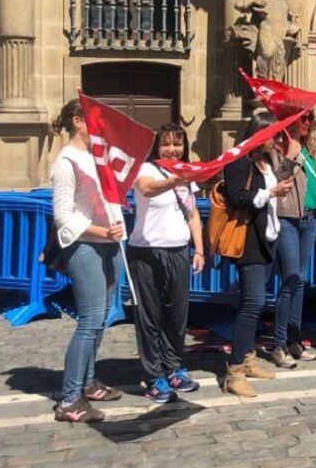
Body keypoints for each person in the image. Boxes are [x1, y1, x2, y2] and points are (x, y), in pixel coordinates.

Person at [50, 99, 125, 423]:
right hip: (85, 246)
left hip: (110, 244)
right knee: (90, 318)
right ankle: (69, 400)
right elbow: (62, 217)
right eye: (94, 119)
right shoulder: (65, 161)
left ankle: (89, 383)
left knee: (101, 316)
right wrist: (100, 231)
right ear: (78, 121)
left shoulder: (99, 157)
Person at [129, 123, 204, 404]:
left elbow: (192, 214)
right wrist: (174, 181)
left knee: (176, 316)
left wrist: (199, 249)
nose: (172, 149)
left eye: (177, 144)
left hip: (179, 250)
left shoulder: (186, 174)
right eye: (166, 144)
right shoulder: (145, 168)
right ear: (156, 147)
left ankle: (173, 367)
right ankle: (154, 376)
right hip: (148, 251)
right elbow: (147, 189)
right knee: (151, 316)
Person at [222, 112, 296, 397]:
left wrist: (278, 188)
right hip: (249, 239)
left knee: (256, 302)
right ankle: (234, 371)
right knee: (252, 303)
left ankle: (248, 358)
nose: (276, 139)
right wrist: (270, 192)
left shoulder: (264, 161)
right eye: (272, 134)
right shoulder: (238, 160)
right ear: (258, 133)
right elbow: (236, 197)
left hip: (267, 238)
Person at [270, 113, 316, 369]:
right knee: (290, 279)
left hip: (309, 219)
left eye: (309, 120)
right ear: (290, 120)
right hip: (287, 219)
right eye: (303, 119)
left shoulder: (308, 148)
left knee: (299, 280)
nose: (307, 124)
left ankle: (295, 339)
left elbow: (313, 186)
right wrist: (291, 157)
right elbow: (276, 180)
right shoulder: (277, 148)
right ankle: (279, 343)